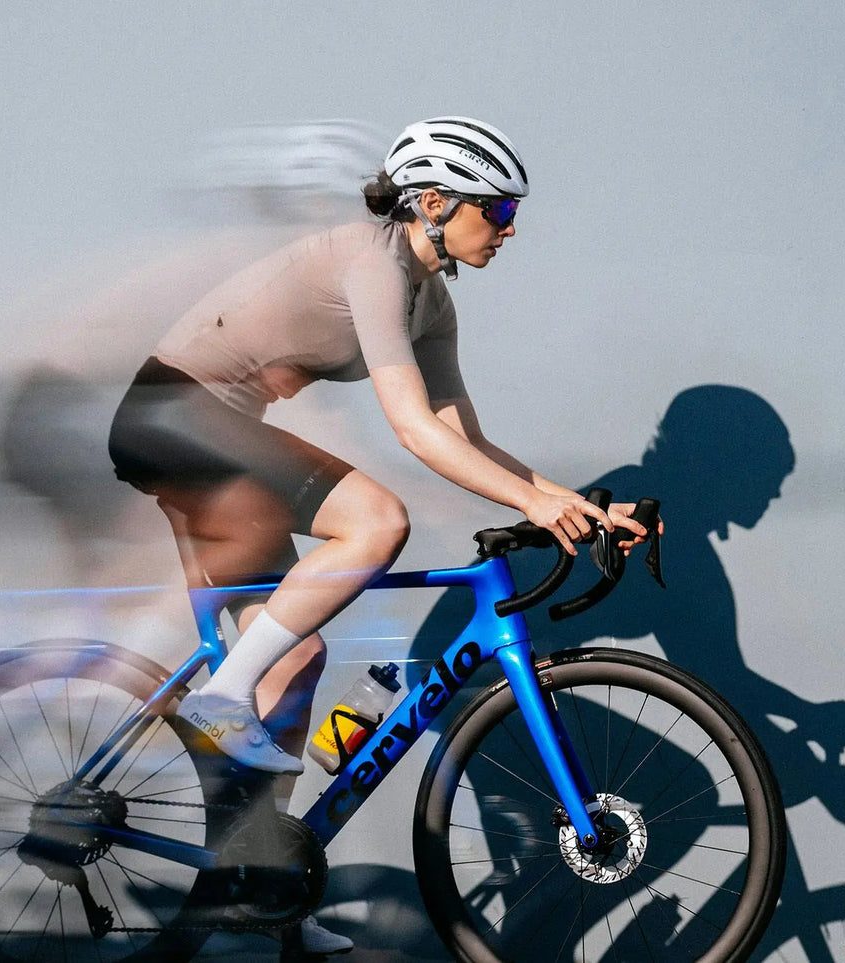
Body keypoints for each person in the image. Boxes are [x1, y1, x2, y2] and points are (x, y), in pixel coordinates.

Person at [106, 119, 654, 947]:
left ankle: (259, 890)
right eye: (499, 209)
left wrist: (570, 503)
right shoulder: (373, 263)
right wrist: (530, 504)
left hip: (212, 429)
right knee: (376, 520)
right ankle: (221, 700)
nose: (510, 228)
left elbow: (463, 436)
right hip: (172, 415)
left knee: (294, 660)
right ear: (433, 203)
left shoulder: (430, 299)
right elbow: (412, 430)